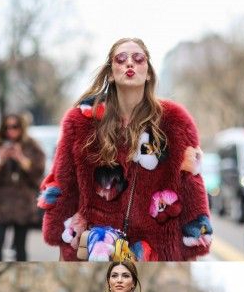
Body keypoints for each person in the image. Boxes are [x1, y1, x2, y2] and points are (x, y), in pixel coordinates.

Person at [39, 37, 213, 261]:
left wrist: (193, 242)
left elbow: (191, 181)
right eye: (121, 59)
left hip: (157, 249)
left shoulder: (175, 120)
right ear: (111, 72)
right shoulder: (82, 122)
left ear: (148, 72)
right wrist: (63, 241)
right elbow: (64, 182)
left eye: (138, 58)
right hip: (97, 247)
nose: (130, 63)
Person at [0, 113, 46, 261]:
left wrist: (21, 158)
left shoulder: (32, 145)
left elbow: (39, 173)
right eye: (7, 127)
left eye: (15, 127)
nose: (11, 131)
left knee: (20, 249)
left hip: (22, 203)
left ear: (22, 128)